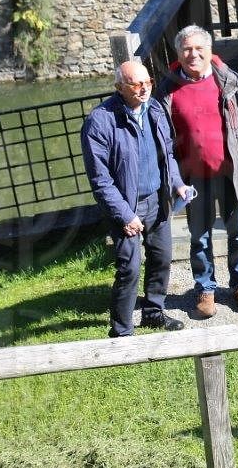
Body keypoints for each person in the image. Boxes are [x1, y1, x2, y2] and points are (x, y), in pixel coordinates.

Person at [157, 25, 238, 319]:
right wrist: (172, 180)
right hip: (192, 179)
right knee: (200, 237)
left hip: (232, 173)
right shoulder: (166, 90)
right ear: (178, 53)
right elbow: (160, 140)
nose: (193, 54)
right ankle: (205, 288)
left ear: (209, 51)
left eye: (199, 49)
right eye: (186, 49)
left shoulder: (232, 82)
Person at [81, 60, 193, 337]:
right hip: (126, 206)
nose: (144, 89)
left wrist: (177, 184)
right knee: (129, 268)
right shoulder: (100, 122)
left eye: (148, 82)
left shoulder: (155, 109)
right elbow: (100, 180)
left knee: (162, 259)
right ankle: (121, 330)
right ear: (119, 87)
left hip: (157, 200)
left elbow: (166, 155)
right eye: (136, 84)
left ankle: (154, 313)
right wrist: (124, 215)